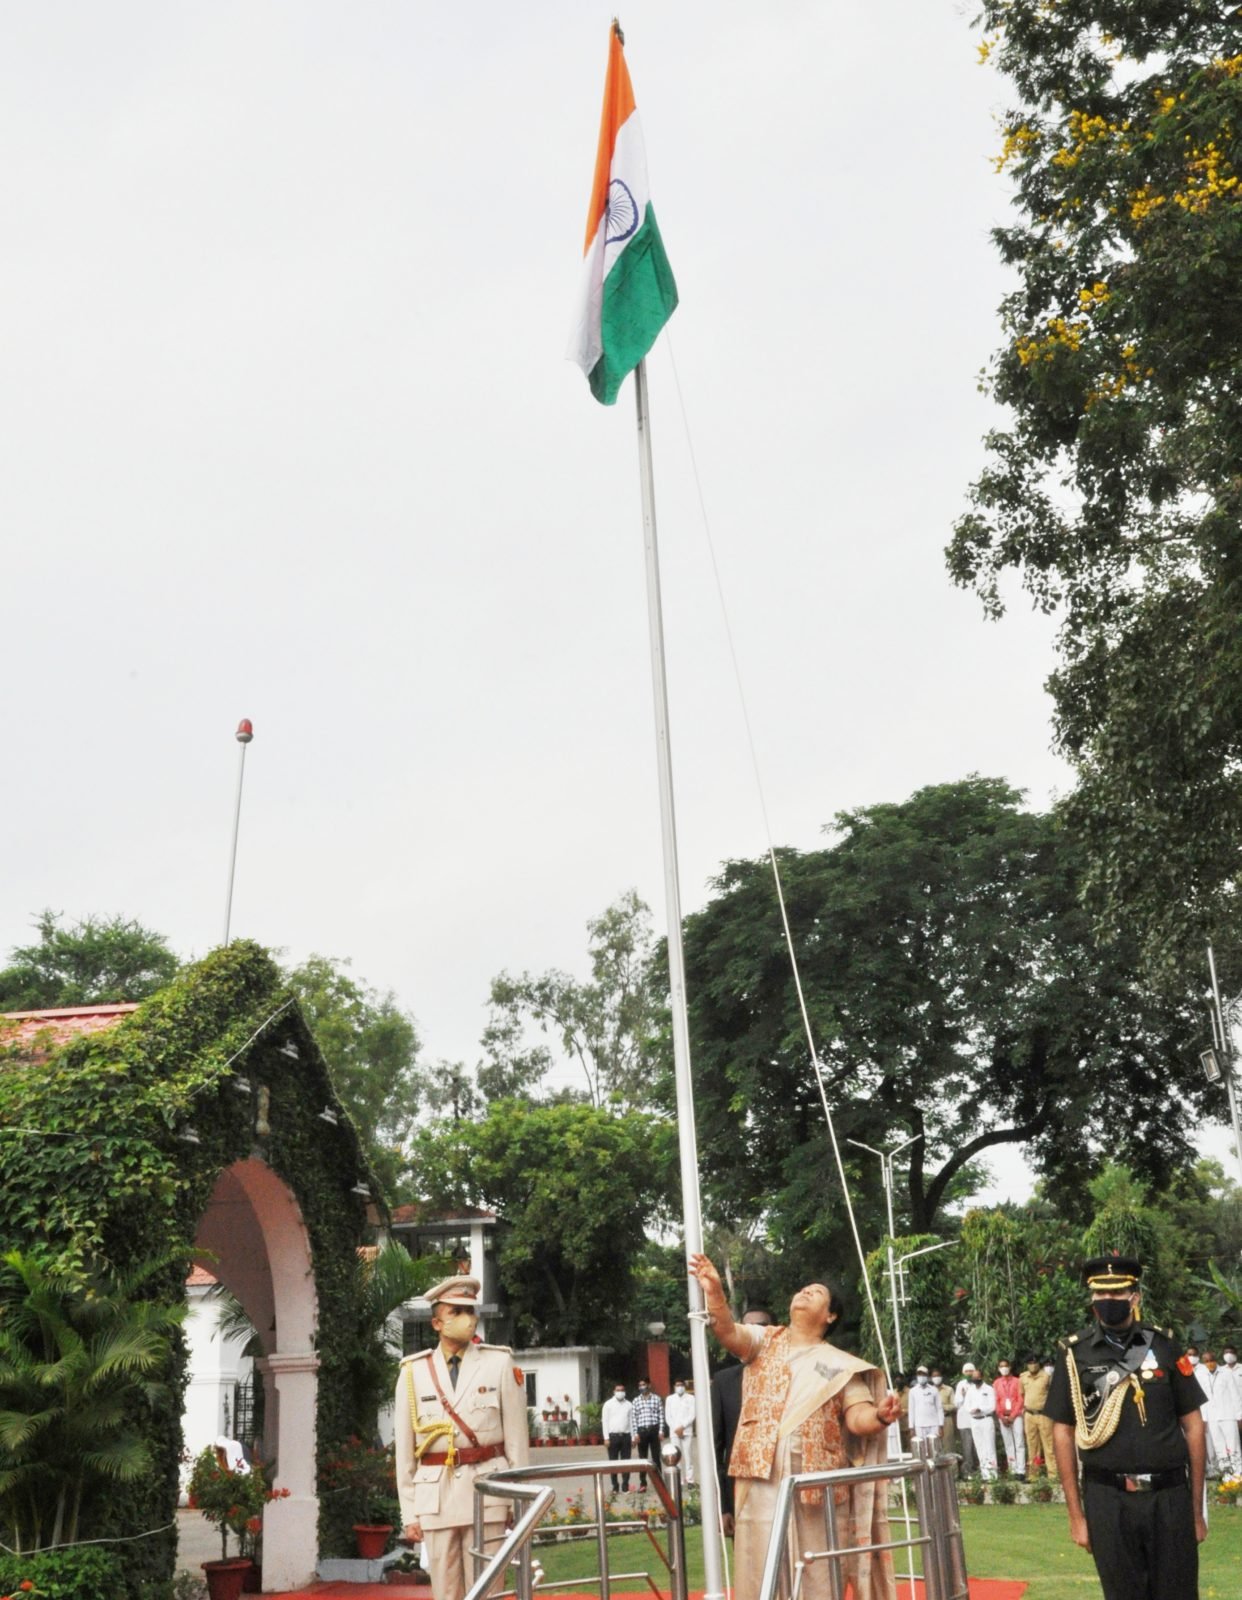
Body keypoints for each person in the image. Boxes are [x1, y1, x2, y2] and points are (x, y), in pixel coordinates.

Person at [689, 1252, 899, 1600]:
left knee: (816, 1569)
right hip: (760, 1477)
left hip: (815, 1486)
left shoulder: (839, 1364)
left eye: (816, 1292)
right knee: (760, 1567)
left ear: (830, 1315)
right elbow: (726, 1330)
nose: (805, 1292)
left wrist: (879, 1416)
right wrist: (714, 1291)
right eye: (803, 1289)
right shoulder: (764, 1341)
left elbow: (857, 1416)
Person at [1046, 1252, 1206, 1600]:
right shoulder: (1074, 1354)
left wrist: (1196, 1511)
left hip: (1169, 1497)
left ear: (1135, 1297)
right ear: (1092, 1300)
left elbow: (1193, 1426)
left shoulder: (1163, 1345)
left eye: (1117, 1292)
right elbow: (1062, 1431)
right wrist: (1076, 1516)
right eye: (1101, 1293)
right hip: (1108, 1499)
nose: (1108, 1300)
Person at [395, 1276, 529, 1600]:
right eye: (456, 1312)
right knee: (445, 1592)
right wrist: (410, 1512)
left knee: (488, 1589)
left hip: (487, 1492)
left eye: (470, 1311)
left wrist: (519, 1500)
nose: (467, 1319)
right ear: (436, 1323)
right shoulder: (413, 1372)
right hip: (435, 1496)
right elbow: (405, 1452)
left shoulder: (499, 1363)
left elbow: (516, 1440)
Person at [710, 1308, 773, 1534]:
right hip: (741, 1496)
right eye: (748, 1327)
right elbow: (715, 1448)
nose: (754, 1332)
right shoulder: (724, 1381)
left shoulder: (793, 1374)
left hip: (784, 1491)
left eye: (761, 1326)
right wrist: (723, 1506)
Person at [1019, 1353, 1057, 1481]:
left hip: (1044, 1414)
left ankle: (1053, 1474)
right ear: (1027, 1365)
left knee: (1049, 1445)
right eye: (1030, 1363)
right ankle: (1033, 1475)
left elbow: (1053, 1395)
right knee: (1032, 1445)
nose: (1033, 1365)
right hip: (1029, 1414)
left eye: (1035, 1363)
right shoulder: (1023, 1377)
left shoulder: (1046, 1376)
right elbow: (1022, 1394)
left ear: (1038, 1364)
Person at [962, 1368, 998, 1480]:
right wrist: (971, 1410)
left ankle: (993, 1475)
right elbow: (966, 1405)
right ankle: (984, 1474)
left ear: (981, 1377)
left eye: (977, 1376)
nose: (975, 1378)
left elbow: (993, 1406)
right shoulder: (970, 1390)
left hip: (986, 1419)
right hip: (974, 1420)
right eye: (973, 1377)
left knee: (989, 1446)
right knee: (979, 1447)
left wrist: (981, 1409)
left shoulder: (989, 1389)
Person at [992, 1358, 1026, 1477]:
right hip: (1003, 1417)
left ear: (1010, 1367)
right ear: (998, 1369)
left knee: (1019, 1442)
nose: (1004, 1368)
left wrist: (1012, 1416)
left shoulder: (1017, 1381)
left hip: (1016, 1416)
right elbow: (996, 1400)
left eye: (1005, 1366)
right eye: (1001, 1366)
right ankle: (1012, 1470)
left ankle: (1021, 1471)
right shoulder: (996, 1383)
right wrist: (1001, 1416)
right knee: (1008, 1444)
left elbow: (1020, 1399)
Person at [1212, 1345, 1242, 1477]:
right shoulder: (1221, 1371)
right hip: (1228, 1412)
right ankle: (1230, 1472)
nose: (1228, 1355)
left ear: (1236, 1353)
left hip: (1239, 1408)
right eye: (1226, 1352)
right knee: (1230, 1444)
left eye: (1231, 1352)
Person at [602, 1382, 635, 1494]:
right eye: (618, 1390)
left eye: (622, 1390)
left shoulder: (629, 1405)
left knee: (626, 1463)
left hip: (626, 1436)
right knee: (613, 1463)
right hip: (613, 1437)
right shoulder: (608, 1404)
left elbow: (631, 1422)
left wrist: (633, 1437)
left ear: (625, 1392)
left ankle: (625, 1486)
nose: (620, 1392)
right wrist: (606, 1438)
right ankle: (615, 1486)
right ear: (614, 1392)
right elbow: (605, 1421)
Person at [630, 1378, 665, 1478]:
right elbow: (634, 1418)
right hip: (642, 1431)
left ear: (649, 1385)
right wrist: (636, 1434)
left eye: (644, 1384)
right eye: (640, 1385)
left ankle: (658, 1479)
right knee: (642, 1458)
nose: (642, 1387)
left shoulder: (656, 1399)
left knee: (656, 1456)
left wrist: (661, 1431)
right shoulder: (636, 1400)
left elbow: (661, 1415)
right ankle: (643, 1481)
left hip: (654, 1430)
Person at [665, 1379, 696, 1484]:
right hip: (674, 1432)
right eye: (677, 1385)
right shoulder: (670, 1399)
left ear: (684, 1386)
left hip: (686, 1431)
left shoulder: (691, 1398)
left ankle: (690, 1479)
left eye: (681, 1385)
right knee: (676, 1455)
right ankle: (679, 1479)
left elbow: (692, 1415)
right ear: (674, 1386)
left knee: (688, 1455)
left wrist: (682, 1427)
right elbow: (668, 1417)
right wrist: (676, 1429)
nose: (680, 1387)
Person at [953, 1364, 982, 1476]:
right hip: (964, 1421)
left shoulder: (978, 1384)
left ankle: (979, 1469)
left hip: (977, 1419)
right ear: (963, 1373)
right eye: (967, 1371)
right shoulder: (960, 1384)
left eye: (971, 1371)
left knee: (978, 1445)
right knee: (967, 1446)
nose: (969, 1373)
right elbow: (957, 1403)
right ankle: (967, 1471)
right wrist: (963, 1395)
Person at [906, 1366, 944, 1443]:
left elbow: (939, 1408)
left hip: (933, 1424)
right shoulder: (913, 1391)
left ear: (927, 1376)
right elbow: (911, 1409)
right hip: (919, 1425)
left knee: (934, 1446)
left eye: (923, 1374)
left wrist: (941, 1425)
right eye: (919, 1374)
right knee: (922, 1447)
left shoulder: (934, 1390)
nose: (921, 1377)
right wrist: (911, 1427)